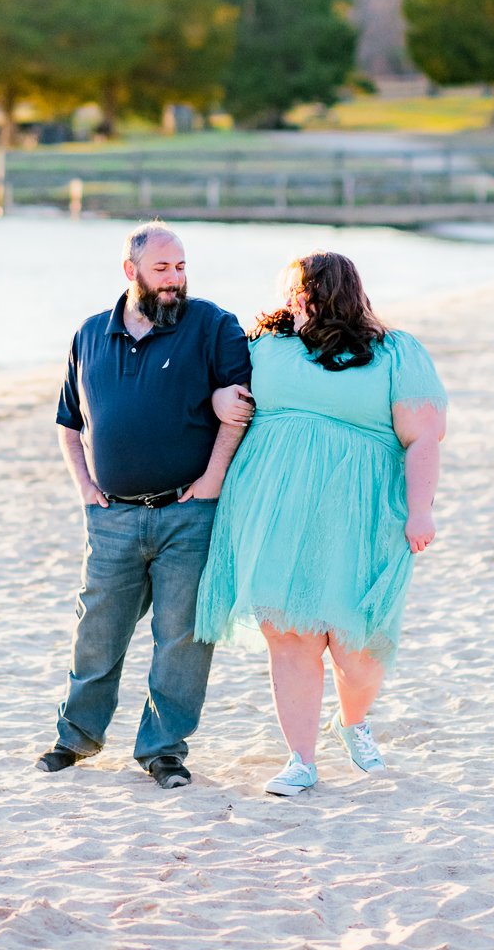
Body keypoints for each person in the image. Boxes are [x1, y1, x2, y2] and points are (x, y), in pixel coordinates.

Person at [194, 250, 447, 796]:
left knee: (355, 643)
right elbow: (221, 394)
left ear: (329, 292)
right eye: (288, 291)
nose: (290, 300)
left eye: (298, 290)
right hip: (271, 507)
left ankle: (352, 721)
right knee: (289, 634)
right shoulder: (265, 346)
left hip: (362, 511)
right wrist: (218, 396)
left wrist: (421, 508)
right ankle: (301, 759)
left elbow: (423, 435)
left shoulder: (393, 353)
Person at [36, 222, 253, 789]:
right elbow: (67, 424)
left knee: (182, 638)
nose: (175, 280)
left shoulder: (214, 325)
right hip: (113, 517)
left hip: (190, 514)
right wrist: (86, 488)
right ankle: (75, 739)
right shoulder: (88, 335)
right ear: (130, 271)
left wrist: (210, 481)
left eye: (181, 268)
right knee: (97, 630)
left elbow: (239, 409)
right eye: (163, 269)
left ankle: (163, 751)